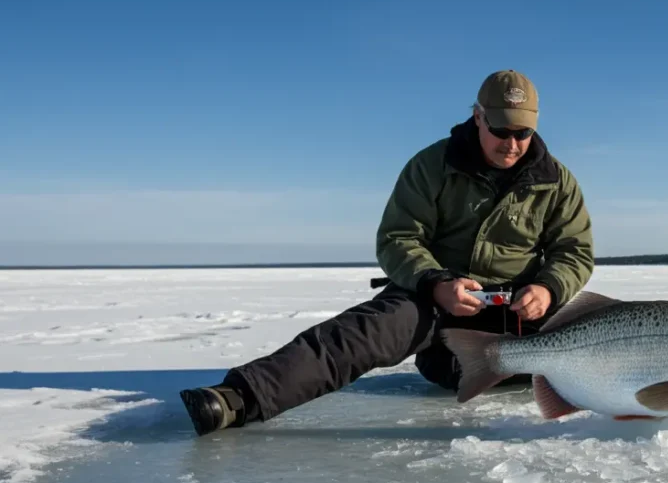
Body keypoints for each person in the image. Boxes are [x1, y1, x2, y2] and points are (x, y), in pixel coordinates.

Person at [178, 69, 595, 436]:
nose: (511, 144)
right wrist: (436, 283)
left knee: (609, 330)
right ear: (478, 117)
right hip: (442, 306)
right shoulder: (432, 166)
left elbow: (574, 250)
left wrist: (548, 289)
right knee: (361, 334)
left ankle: (657, 395)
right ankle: (239, 398)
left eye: (521, 134)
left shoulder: (556, 180)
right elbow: (397, 238)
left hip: (522, 314)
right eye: (501, 131)